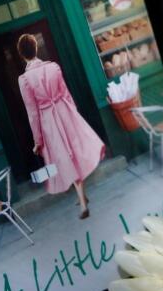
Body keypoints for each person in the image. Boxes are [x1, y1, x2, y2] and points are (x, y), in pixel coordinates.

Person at [16, 34, 105, 219]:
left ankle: (82, 203)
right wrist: (73, 114)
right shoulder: (53, 67)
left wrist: (37, 140)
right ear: (36, 49)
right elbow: (66, 93)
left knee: (65, 158)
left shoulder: (24, 80)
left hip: (49, 120)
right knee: (74, 153)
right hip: (65, 112)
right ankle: (82, 197)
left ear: (22, 55)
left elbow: (32, 113)